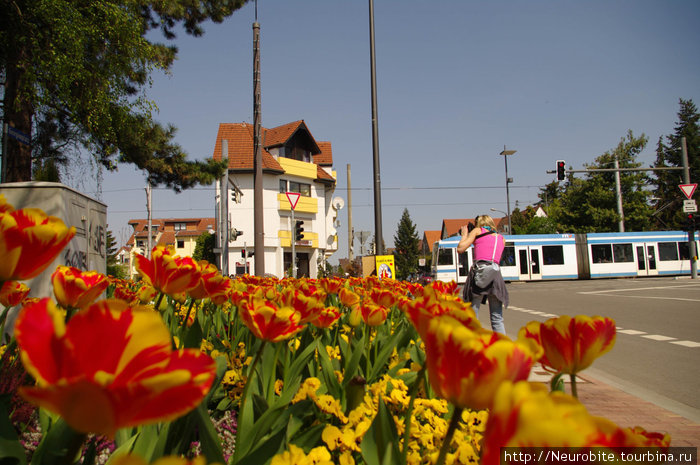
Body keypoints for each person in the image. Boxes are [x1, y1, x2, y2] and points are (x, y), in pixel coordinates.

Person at [457, 215, 508, 334]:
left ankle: (474, 343)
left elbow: (460, 248)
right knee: (497, 318)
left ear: (479, 224)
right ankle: (502, 347)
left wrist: (465, 234)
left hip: (480, 274)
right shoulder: (501, 238)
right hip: (496, 277)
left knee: (473, 314)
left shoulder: (477, 231)